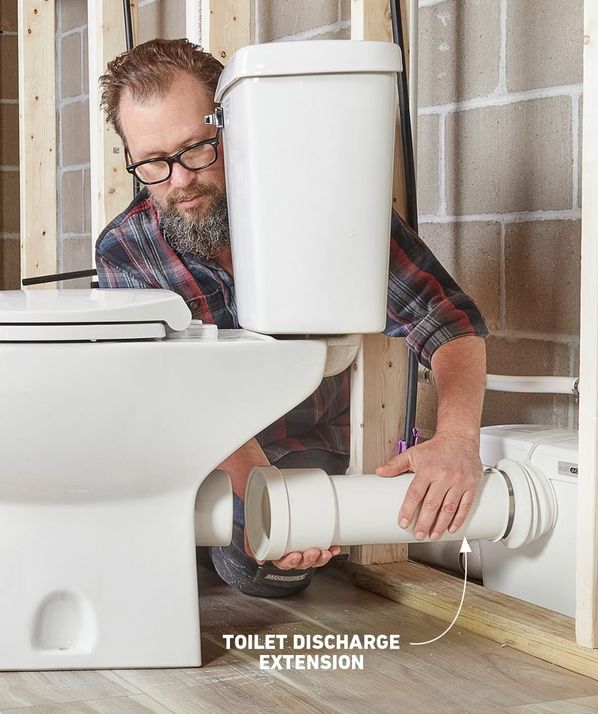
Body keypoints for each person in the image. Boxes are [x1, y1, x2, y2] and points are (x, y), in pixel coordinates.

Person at [95, 38, 489, 598]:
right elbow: (173, 391)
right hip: (207, 453)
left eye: (197, 149)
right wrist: (262, 489)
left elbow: (446, 317)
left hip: (311, 445)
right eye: (154, 163)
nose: (180, 181)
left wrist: (456, 439)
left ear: (236, 125)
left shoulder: (328, 207)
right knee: (258, 565)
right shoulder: (127, 248)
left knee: (281, 565)